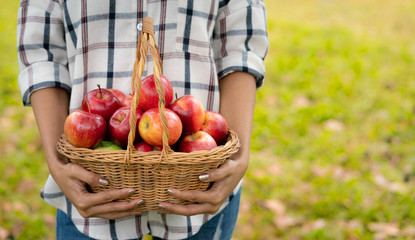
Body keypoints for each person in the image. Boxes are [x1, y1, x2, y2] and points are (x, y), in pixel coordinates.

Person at [17, 0, 268, 239]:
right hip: (89, 183)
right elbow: (41, 49)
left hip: (202, 184)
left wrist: (236, 157)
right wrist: (57, 160)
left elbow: (240, 43)